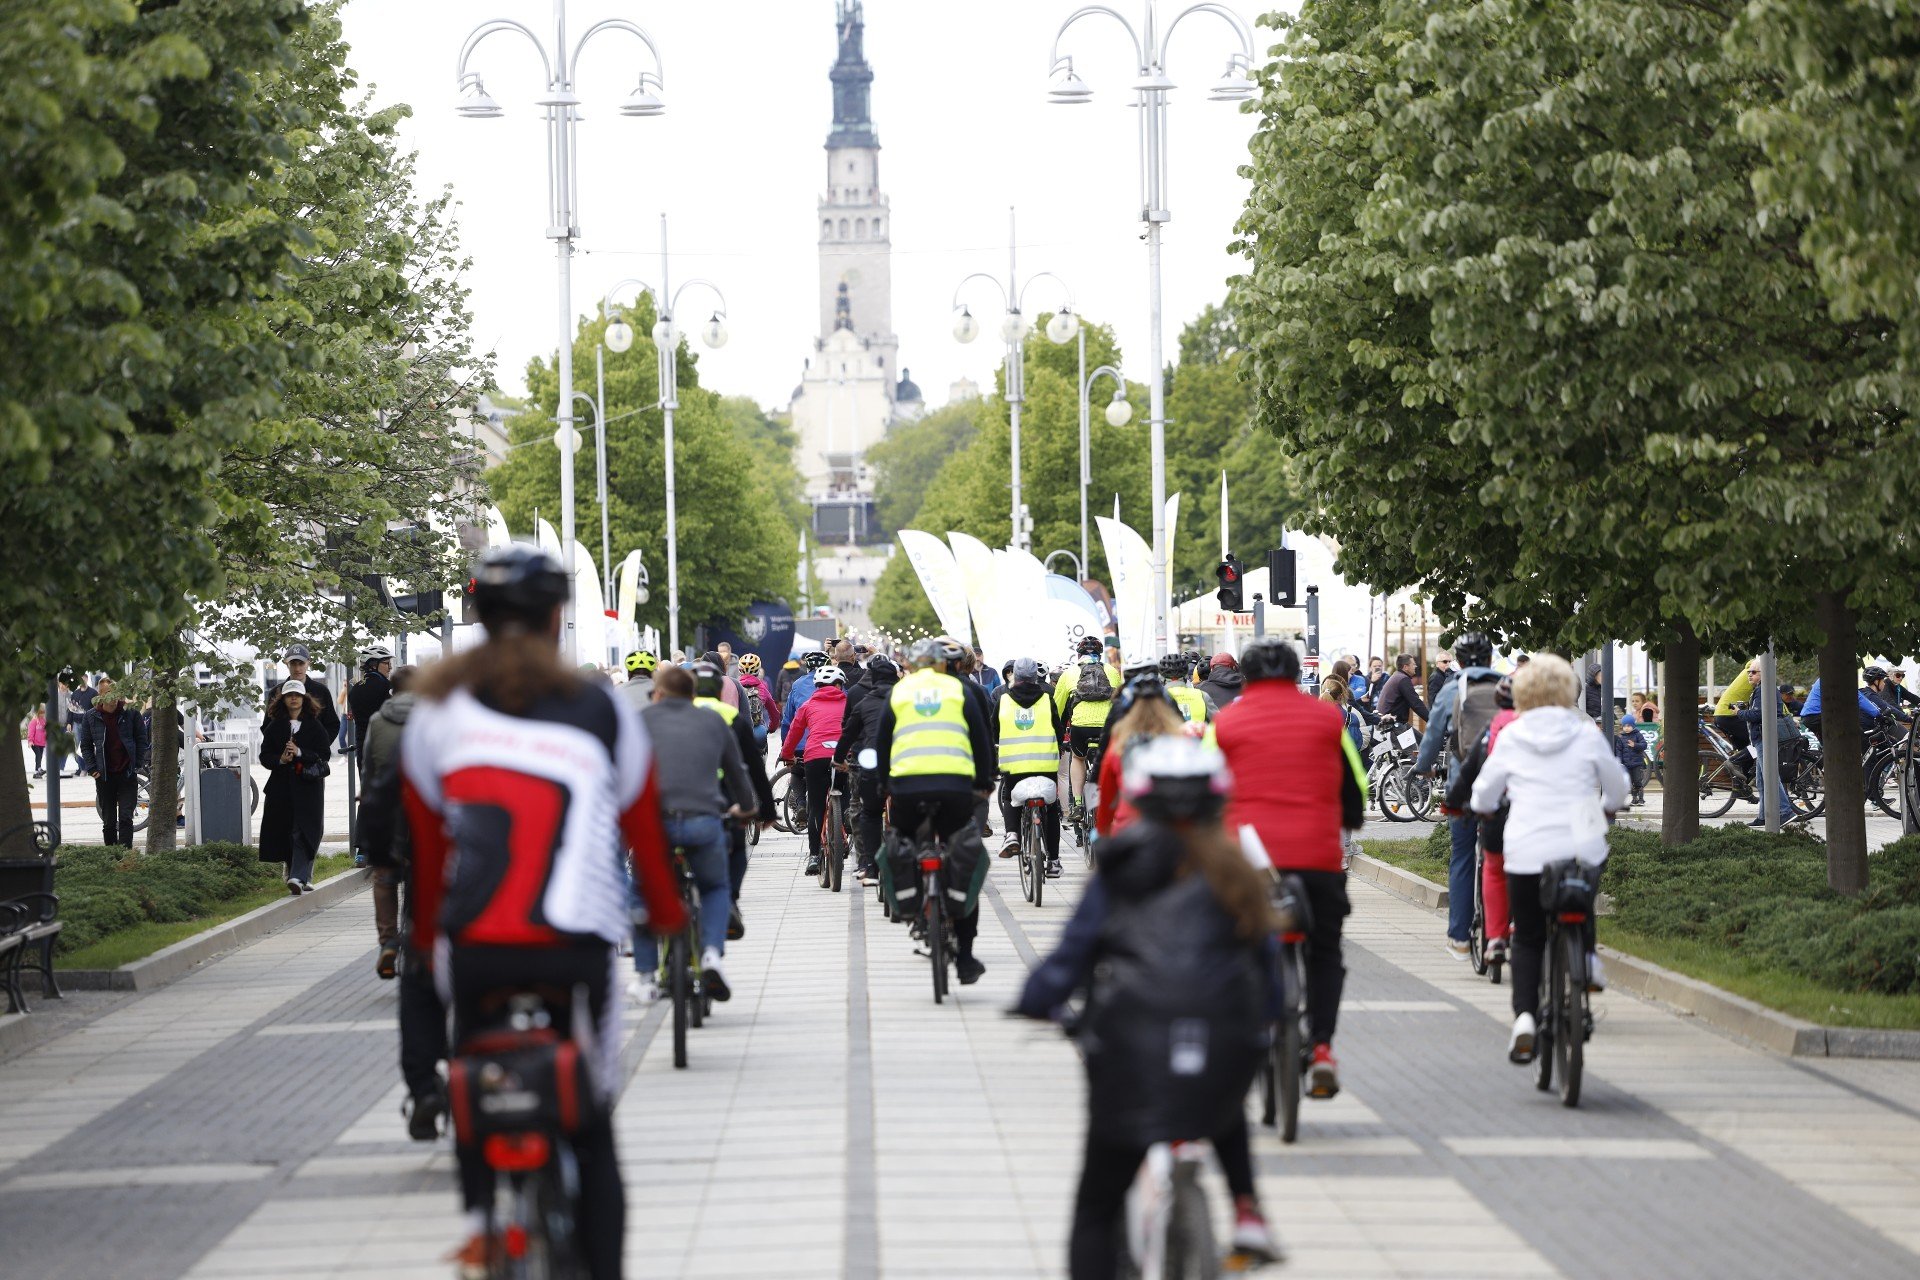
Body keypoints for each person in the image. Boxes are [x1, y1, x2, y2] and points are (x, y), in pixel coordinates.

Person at [395, 544, 685, 1279]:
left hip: (479, 945)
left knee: (472, 1073)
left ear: (479, 618)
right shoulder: (602, 710)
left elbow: (427, 854)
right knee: (591, 1119)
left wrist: (428, 943)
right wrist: (664, 913)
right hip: (576, 942)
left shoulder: (435, 711)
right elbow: (642, 831)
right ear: (560, 618)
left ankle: (477, 1226)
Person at [1014, 736, 1283, 1277]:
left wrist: (1035, 1003)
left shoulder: (1119, 870)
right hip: (1226, 1038)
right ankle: (1248, 1210)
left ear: (1141, 799)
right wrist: (1264, 1019)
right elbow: (1269, 967)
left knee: (1096, 1204)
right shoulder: (1238, 873)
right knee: (1223, 1101)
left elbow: (1071, 954)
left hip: (1131, 1043)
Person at [1213, 636, 1366, 1099]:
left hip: (1250, 863)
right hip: (1317, 858)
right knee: (1325, 951)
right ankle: (1321, 1049)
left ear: (1247, 677)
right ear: (1298, 676)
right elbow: (1354, 786)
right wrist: (1347, 819)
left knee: (1233, 942)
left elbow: (1204, 790)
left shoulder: (1225, 723)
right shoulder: (1326, 718)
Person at [1470, 654, 1628, 1064]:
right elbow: (1617, 785)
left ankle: (1524, 1018)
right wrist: (1609, 805)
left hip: (1527, 846)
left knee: (1528, 937)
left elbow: (1484, 794)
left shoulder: (1512, 736)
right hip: (1581, 838)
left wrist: (1485, 807)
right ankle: (1588, 961)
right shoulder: (1586, 733)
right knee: (1582, 891)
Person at [876, 637, 995, 984]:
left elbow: (883, 743)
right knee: (964, 853)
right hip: (955, 789)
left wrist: (885, 784)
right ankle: (967, 957)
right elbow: (980, 740)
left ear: (911, 665)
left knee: (903, 839)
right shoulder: (961, 691)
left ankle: (913, 901)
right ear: (945, 664)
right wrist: (984, 780)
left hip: (907, 791)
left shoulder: (899, 691)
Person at [635, 664, 756, 1004]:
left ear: (657, 694)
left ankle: (645, 975)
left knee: (641, 893)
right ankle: (711, 956)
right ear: (693, 695)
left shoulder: (640, 722)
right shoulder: (713, 721)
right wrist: (746, 808)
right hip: (704, 820)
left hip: (655, 826)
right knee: (716, 886)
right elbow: (737, 772)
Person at [1412, 633, 1502, 959]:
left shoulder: (1452, 688)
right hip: (1503, 783)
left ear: (1459, 662)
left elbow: (1434, 734)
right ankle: (1502, 933)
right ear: (1491, 659)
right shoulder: (1508, 687)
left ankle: (1460, 938)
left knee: (1463, 855)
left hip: (1463, 783)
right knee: (1504, 858)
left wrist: (1423, 768)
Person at [692, 660, 775, 927]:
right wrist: (766, 809)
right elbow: (753, 766)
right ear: (718, 690)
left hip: (683, 794)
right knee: (737, 846)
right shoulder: (731, 718)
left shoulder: (679, 713)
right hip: (723, 792)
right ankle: (731, 898)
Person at [359, 664, 418, 978]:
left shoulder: (378, 720)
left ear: (392, 690)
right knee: (421, 878)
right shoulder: (432, 718)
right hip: (420, 813)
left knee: (384, 878)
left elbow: (368, 769)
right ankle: (418, 938)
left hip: (386, 813)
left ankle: (388, 942)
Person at [1094, 668, 1185, 839]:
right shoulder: (1182, 738)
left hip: (1129, 829)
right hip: (1172, 831)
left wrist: (1102, 832)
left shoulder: (1120, 740)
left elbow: (1107, 796)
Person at [992, 657, 1063, 875]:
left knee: (1009, 797)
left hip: (1013, 766)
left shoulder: (1003, 700)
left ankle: (1012, 834)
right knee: (1051, 808)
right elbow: (1058, 730)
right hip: (1045, 764)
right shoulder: (1046, 698)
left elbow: (993, 729)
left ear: (1015, 675)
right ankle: (1053, 861)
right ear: (1035, 676)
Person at [259, 680, 331, 891]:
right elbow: (265, 756)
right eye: (289, 695)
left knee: (304, 830)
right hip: (282, 789)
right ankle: (298, 876)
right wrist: (280, 759)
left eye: (297, 696)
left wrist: (300, 753)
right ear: (283, 699)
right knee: (287, 830)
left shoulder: (314, 726)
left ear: (304, 699)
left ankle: (298, 876)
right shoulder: (275, 726)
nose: (293, 699)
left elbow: (324, 755)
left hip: (307, 788)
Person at [781, 664, 851, 878]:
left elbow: (794, 732)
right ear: (839, 685)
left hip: (815, 757)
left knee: (816, 807)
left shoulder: (808, 705)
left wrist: (787, 755)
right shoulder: (849, 703)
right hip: (842, 756)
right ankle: (846, 817)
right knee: (845, 790)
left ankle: (813, 856)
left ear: (817, 686)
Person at [835, 654, 900, 883]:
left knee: (870, 812)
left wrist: (838, 758)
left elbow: (847, 733)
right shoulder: (905, 700)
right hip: (902, 763)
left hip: (870, 761)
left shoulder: (863, 702)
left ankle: (870, 868)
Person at [77, 678, 149, 848]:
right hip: (104, 776)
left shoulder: (130, 713)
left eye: (117, 693)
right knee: (109, 821)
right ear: (100, 696)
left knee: (126, 817)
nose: (114, 697)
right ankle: (111, 855)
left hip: (127, 774)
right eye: (109, 693)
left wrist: (136, 764)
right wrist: (93, 769)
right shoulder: (91, 716)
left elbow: (141, 739)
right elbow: (85, 745)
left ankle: (124, 856)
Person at [1055, 637, 1121, 820]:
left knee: (1078, 758)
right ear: (1100, 655)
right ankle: (1113, 801)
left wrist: (1059, 736)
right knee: (1110, 759)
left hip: (1080, 727)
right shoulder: (1112, 672)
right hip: (1106, 728)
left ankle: (1076, 804)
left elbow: (1057, 710)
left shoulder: (1068, 674)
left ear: (1078, 655)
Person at [266, 644, 342, 743]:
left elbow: (332, 724)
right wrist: (280, 748)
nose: (297, 669)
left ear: (308, 663)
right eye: (293, 664)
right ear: (286, 664)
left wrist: (321, 747)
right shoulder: (276, 692)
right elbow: (267, 726)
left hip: (315, 755)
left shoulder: (321, 691)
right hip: (284, 754)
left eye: (301, 663)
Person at [348, 644, 395, 747]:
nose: (390, 667)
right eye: (387, 663)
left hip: (362, 746)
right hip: (384, 746)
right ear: (374, 665)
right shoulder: (387, 686)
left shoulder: (355, 689)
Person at [734, 652, 781, 744]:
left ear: (740, 669)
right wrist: (772, 728)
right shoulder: (762, 687)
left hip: (737, 730)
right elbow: (774, 713)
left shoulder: (734, 685)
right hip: (757, 731)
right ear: (758, 670)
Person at [1161, 653, 1217, 726]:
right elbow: (1219, 723)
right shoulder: (1202, 695)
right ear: (1185, 674)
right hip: (1198, 736)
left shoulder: (1156, 699)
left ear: (1162, 677)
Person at [1376, 653, 1428, 728]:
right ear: (1406, 667)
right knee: (1421, 740)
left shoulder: (1397, 676)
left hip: (1388, 724)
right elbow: (1416, 704)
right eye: (1413, 664)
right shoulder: (1403, 679)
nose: (1415, 667)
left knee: (1421, 738)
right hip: (1392, 725)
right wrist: (1432, 721)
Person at [1613, 714, 1649, 808]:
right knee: (1631, 782)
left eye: (1628, 726)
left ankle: (1641, 799)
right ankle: (1634, 799)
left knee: (1638, 781)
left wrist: (1635, 745)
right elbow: (1618, 750)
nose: (1626, 728)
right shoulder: (1621, 738)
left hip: (1637, 763)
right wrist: (1619, 761)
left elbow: (1644, 745)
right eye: (1624, 726)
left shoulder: (1638, 735)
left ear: (1633, 726)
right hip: (1627, 764)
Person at [26, 705, 46, 778]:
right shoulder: (34, 721)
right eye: (41, 713)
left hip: (42, 743)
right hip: (34, 743)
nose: (42, 714)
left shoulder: (44, 721)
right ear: (37, 713)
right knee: (38, 755)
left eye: (43, 713)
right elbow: (31, 732)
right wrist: (30, 741)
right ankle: (38, 769)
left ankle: (37, 771)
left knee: (40, 756)